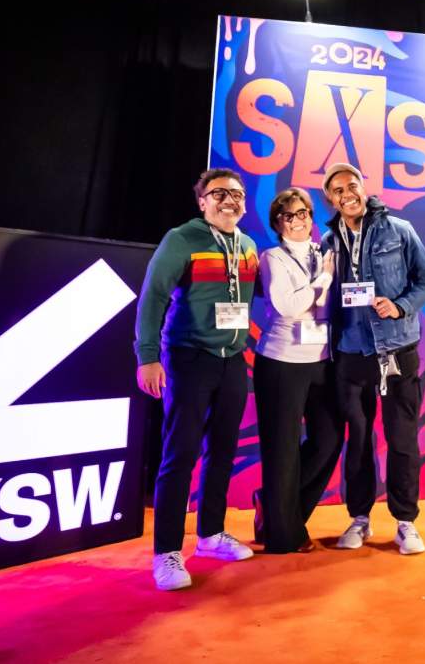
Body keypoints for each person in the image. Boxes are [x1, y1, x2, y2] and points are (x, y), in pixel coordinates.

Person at [135, 167, 258, 590]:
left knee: (222, 451)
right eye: (219, 193)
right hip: (188, 359)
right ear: (202, 201)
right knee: (181, 454)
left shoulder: (247, 245)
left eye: (237, 194)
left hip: (232, 361)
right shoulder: (182, 239)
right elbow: (152, 296)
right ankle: (167, 552)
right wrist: (148, 357)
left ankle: (209, 535)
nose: (230, 200)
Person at [321, 162, 425, 554]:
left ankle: (406, 522)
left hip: (397, 350)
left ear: (363, 187)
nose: (347, 194)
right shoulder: (328, 241)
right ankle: (360, 518)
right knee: (357, 441)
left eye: (351, 185)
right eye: (338, 190)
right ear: (331, 199)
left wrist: (402, 305)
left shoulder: (399, 230)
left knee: (402, 439)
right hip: (350, 354)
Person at [253, 187, 344, 553]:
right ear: (278, 223)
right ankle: (283, 533)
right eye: (290, 216)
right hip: (281, 362)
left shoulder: (325, 253)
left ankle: (276, 505)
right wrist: (323, 278)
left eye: (304, 213)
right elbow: (288, 306)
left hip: (320, 359)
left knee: (328, 440)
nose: (299, 221)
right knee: (282, 449)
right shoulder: (272, 257)